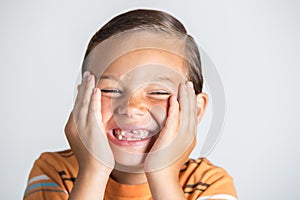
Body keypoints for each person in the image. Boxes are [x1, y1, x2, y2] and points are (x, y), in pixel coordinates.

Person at [24, 9, 237, 200]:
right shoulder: (54, 172)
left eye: (158, 92)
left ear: (195, 110)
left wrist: (162, 175)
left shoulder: (209, 183)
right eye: (111, 90)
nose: (131, 107)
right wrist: (94, 171)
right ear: (83, 101)